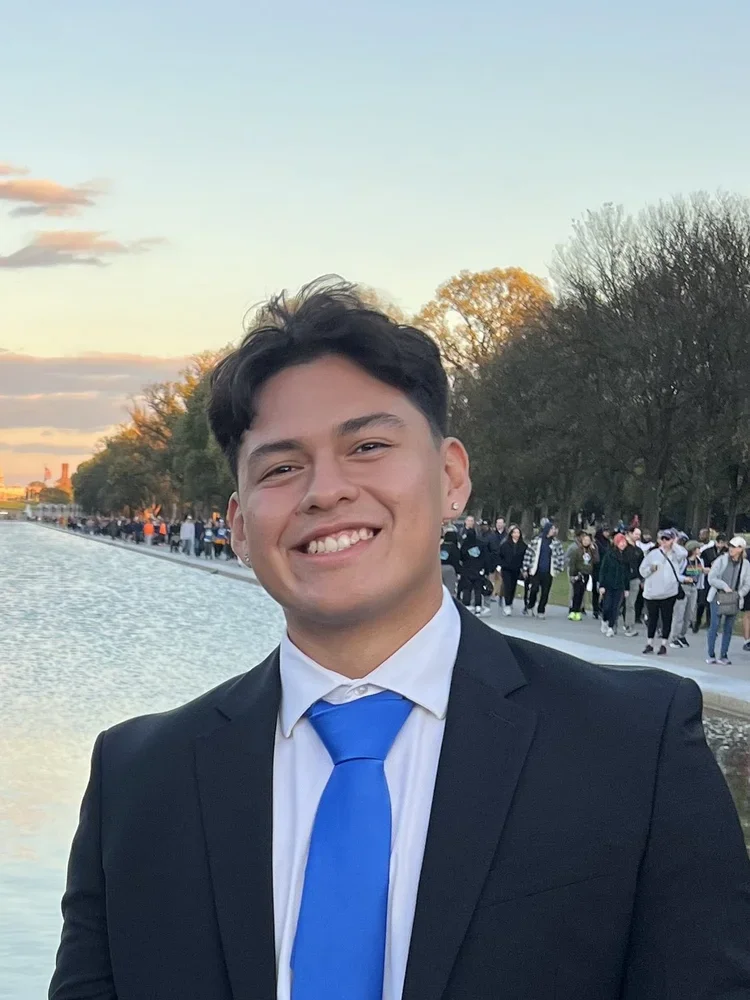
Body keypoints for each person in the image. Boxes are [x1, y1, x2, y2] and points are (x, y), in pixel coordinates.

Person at [50, 278, 750, 1000]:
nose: (325, 491)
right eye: (283, 467)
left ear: (450, 477)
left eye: (369, 445)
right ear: (236, 527)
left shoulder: (635, 746)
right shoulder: (137, 782)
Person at [639, 528, 686, 656]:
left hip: (669, 592)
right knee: (652, 618)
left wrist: (674, 544)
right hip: (652, 592)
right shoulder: (653, 554)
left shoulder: (676, 554)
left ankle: (664, 644)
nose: (665, 541)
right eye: (663, 539)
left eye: (668, 539)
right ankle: (649, 643)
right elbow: (642, 570)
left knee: (667, 618)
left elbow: (684, 554)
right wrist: (650, 570)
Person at [706, 536, 750, 666]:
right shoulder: (721, 560)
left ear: (741, 549)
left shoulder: (746, 564)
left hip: (734, 598)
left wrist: (739, 594)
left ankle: (724, 655)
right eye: (730, 546)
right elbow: (711, 578)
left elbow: (747, 583)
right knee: (714, 625)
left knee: (728, 627)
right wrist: (724, 586)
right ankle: (711, 654)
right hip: (718, 596)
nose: (731, 549)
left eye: (735, 547)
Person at [522, 520, 565, 620]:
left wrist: (558, 568)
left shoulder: (556, 543)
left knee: (545, 592)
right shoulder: (536, 541)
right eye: (551, 529)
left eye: (554, 529)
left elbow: (560, 556)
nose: (553, 531)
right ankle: (530, 605)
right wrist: (525, 568)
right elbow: (529, 554)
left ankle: (541, 610)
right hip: (536, 570)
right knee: (534, 589)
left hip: (548, 572)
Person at [669, 540, 704, 648]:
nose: (699, 550)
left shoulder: (699, 561)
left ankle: (682, 635)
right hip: (683, 587)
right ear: (693, 550)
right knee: (679, 613)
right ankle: (674, 637)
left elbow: (700, 574)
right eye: (698, 548)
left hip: (694, 588)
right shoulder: (684, 561)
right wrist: (684, 579)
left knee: (689, 613)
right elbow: (676, 573)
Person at [597, 533, 630, 637]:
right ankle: (604, 619)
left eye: (624, 542)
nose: (623, 544)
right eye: (621, 542)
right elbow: (603, 570)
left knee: (615, 608)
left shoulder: (625, 557)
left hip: (619, 586)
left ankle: (611, 627)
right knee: (607, 606)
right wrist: (602, 585)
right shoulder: (609, 555)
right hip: (608, 585)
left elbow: (627, 574)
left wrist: (626, 588)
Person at [457, 522, 490, 616]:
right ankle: (478, 607)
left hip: (467, 569)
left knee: (467, 588)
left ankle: (466, 605)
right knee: (478, 589)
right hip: (479, 570)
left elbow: (461, 557)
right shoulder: (481, 544)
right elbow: (485, 558)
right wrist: (486, 570)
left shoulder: (465, 545)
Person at [567, 531, 598, 621]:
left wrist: (594, 550)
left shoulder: (591, 551)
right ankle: (573, 610)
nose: (586, 542)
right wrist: (573, 575)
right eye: (584, 540)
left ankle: (578, 611)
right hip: (578, 574)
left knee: (581, 593)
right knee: (576, 593)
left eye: (588, 540)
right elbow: (573, 563)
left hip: (586, 574)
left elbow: (596, 560)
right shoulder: (577, 550)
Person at [496, 524, 527, 617]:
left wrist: (523, 568)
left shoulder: (523, 546)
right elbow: (499, 555)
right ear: (511, 534)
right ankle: (507, 604)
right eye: (515, 532)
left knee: (513, 587)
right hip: (506, 569)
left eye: (518, 533)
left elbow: (525, 557)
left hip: (516, 569)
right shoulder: (505, 545)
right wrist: (501, 564)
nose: (516, 534)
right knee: (507, 586)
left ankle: (510, 602)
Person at [620, 528, 643, 637]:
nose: (638, 536)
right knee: (617, 603)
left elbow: (642, 566)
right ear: (629, 534)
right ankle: (610, 623)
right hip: (621, 579)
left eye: (639, 534)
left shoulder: (639, 551)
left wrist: (641, 579)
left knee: (630, 604)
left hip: (634, 580)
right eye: (636, 534)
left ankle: (630, 626)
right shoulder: (623, 548)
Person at [486, 517, 507, 602]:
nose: (499, 524)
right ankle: (489, 591)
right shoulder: (491, 535)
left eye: (501, 523)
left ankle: (495, 594)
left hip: (502, 560)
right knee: (491, 577)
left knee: (500, 578)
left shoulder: (506, 535)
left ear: (504, 524)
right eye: (497, 523)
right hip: (492, 559)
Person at [439, 528, 461, 596]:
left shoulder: (440, 546)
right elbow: (456, 560)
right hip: (449, 568)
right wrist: (458, 571)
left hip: (438, 568)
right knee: (450, 589)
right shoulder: (454, 547)